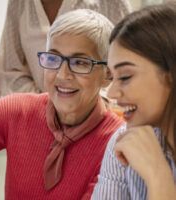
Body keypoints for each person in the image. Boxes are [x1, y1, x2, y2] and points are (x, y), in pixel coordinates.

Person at [0, 9, 123, 199]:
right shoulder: (14, 111)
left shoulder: (117, 144)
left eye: (80, 63)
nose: (63, 75)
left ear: (107, 74)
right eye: (53, 58)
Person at [92, 2, 176, 200]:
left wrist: (158, 177)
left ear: (171, 74)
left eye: (126, 76)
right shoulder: (125, 141)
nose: (111, 93)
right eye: (112, 77)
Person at [0, 0, 132, 95]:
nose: (62, 75)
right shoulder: (19, 3)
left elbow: (127, 69)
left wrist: (91, 104)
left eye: (80, 62)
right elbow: (10, 68)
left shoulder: (113, 3)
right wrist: (46, 104)